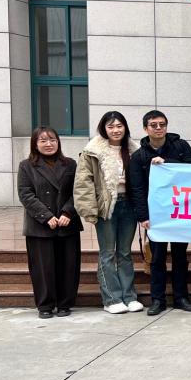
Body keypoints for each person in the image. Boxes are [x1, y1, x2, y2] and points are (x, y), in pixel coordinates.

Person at [129, 110, 191, 316]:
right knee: (157, 258)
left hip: (179, 211)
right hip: (156, 215)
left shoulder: (181, 146)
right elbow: (137, 188)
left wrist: (167, 162)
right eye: (153, 125)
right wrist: (143, 216)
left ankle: (181, 297)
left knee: (180, 256)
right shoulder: (139, 156)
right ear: (145, 128)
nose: (158, 128)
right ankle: (157, 300)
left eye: (162, 124)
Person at [74, 111, 141, 314]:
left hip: (128, 204)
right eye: (111, 126)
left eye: (119, 126)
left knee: (125, 252)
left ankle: (129, 296)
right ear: (103, 128)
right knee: (108, 253)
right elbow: (83, 182)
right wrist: (89, 210)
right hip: (107, 206)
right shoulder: (92, 151)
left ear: (125, 128)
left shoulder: (134, 150)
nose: (115, 130)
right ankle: (111, 299)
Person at [18, 127, 82, 319]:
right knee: (42, 268)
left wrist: (68, 212)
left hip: (66, 223)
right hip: (39, 225)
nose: (49, 144)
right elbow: (26, 194)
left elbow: (79, 191)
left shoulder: (70, 164)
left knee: (68, 266)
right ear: (35, 144)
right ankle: (45, 305)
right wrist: (46, 216)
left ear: (58, 142)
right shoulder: (26, 166)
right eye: (43, 141)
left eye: (52, 140)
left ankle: (65, 303)